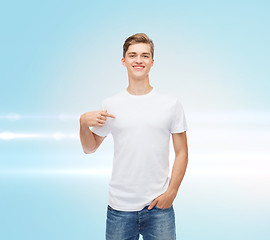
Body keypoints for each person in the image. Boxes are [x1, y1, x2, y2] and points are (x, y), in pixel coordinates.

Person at [79, 33, 188, 240]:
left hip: (159, 208)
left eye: (145, 56)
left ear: (152, 62)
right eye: (133, 55)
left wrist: (172, 192)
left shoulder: (171, 104)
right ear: (124, 61)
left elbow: (182, 152)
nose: (139, 60)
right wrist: (83, 123)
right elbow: (89, 148)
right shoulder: (110, 104)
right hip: (119, 208)